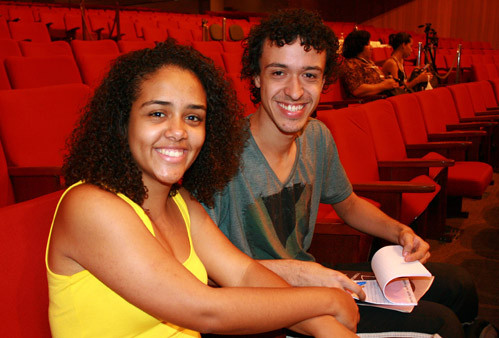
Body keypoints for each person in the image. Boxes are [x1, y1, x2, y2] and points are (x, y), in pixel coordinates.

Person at [45, 40, 361, 338]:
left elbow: (244, 275)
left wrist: (321, 325)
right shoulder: (90, 205)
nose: (179, 131)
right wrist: (326, 301)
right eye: (158, 113)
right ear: (123, 121)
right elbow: (203, 309)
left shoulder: (180, 202)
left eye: (193, 117)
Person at [204, 9, 479, 338]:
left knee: (458, 285)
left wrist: (399, 232)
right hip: (258, 303)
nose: (295, 91)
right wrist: (302, 276)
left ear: (323, 81)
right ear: (257, 77)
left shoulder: (317, 137)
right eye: (279, 73)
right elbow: (205, 273)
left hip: (311, 275)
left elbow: (347, 203)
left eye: (309, 75)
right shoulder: (218, 155)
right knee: (440, 323)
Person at [340, 29, 400, 97]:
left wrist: (388, 81)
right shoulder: (350, 64)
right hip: (368, 103)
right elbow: (357, 90)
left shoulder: (368, 62)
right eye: (368, 44)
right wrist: (383, 85)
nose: (371, 47)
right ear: (359, 46)